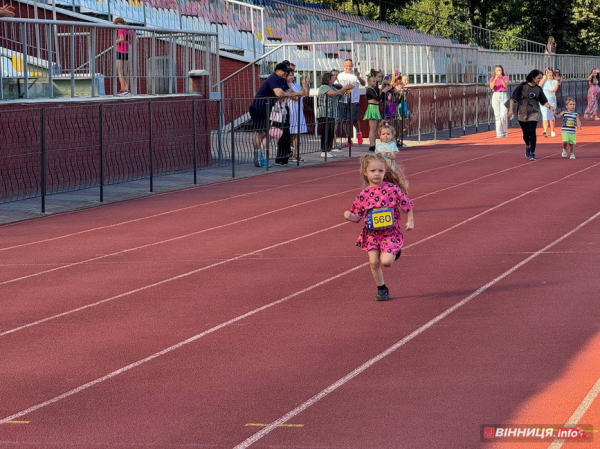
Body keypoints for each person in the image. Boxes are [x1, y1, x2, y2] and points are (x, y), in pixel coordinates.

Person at [343, 153, 414, 301]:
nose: (377, 174)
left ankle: (395, 251)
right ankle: (381, 288)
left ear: (385, 172)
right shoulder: (364, 194)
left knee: (386, 262)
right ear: (365, 172)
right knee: (373, 261)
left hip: (390, 232)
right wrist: (350, 217)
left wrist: (410, 220)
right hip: (371, 234)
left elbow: (407, 204)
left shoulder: (392, 189)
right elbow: (357, 216)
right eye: (373, 171)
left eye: (380, 171)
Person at [249, 62, 304, 167]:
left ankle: (260, 155)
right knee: (259, 132)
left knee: (265, 132)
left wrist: (294, 93)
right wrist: (293, 93)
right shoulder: (273, 79)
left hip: (267, 108)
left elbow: (288, 92)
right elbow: (280, 93)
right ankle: (258, 155)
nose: (286, 74)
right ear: (277, 70)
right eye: (285, 71)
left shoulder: (282, 80)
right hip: (259, 107)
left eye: (288, 72)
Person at [508, 69, 555, 161]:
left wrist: (550, 107)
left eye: (541, 78)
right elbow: (512, 99)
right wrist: (510, 110)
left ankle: (532, 152)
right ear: (533, 78)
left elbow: (543, 101)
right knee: (526, 133)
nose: (540, 80)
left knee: (532, 131)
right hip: (522, 113)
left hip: (534, 113)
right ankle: (527, 145)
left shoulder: (538, 89)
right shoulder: (523, 86)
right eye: (538, 78)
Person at [316, 72, 353, 158]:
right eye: (333, 78)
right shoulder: (323, 87)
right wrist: (344, 88)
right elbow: (333, 93)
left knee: (331, 132)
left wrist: (345, 90)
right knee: (326, 132)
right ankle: (324, 150)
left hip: (332, 113)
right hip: (324, 113)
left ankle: (328, 149)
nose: (334, 79)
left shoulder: (332, 87)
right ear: (327, 79)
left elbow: (338, 92)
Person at [337, 59, 366, 146]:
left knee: (353, 119)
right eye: (347, 66)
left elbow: (363, 83)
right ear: (343, 66)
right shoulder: (340, 75)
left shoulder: (356, 75)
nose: (348, 67)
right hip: (343, 100)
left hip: (354, 100)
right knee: (344, 120)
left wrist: (358, 77)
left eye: (350, 65)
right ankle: (349, 139)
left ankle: (358, 132)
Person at [286, 72, 309, 163]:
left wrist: (305, 85)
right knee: (292, 133)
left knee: (296, 134)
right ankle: (292, 153)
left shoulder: (295, 84)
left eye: (292, 75)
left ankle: (296, 154)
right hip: (292, 111)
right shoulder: (286, 85)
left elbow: (305, 94)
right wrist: (300, 93)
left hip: (298, 110)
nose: (292, 77)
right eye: (290, 75)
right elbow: (294, 97)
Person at [114, 17, 133, 96]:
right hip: (126, 51)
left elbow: (121, 39)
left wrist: (116, 41)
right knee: (125, 71)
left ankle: (123, 89)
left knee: (120, 71)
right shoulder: (129, 29)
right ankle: (127, 89)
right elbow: (132, 40)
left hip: (120, 51)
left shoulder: (121, 29)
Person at [489, 65, 509, 138]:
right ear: (495, 71)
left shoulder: (505, 77)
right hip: (495, 95)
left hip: (503, 95)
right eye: (497, 70)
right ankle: (498, 133)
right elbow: (491, 86)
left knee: (503, 115)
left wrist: (501, 79)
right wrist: (495, 79)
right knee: (497, 115)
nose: (498, 72)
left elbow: (505, 85)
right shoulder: (492, 78)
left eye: (500, 70)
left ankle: (504, 131)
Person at [363, 74, 382, 152]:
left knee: (374, 128)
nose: (375, 83)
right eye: (373, 81)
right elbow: (377, 98)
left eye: (375, 81)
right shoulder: (369, 89)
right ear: (369, 81)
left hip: (375, 107)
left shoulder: (374, 89)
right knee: (372, 129)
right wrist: (383, 92)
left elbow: (379, 99)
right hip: (372, 107)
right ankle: (371, 145)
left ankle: (373, 144)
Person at [539, 67, 558, 137]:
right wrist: (543, 78)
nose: (549, 74)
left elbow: (555, 88)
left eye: (550, 72)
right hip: (544, 101)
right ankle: (545, 130)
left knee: (551, 116)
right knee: (544, 115)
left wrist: (552, 90)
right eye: (548, 72)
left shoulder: (555, 81)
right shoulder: (543, 81)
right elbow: (539, 86)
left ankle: (552, 131)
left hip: (552, 101)